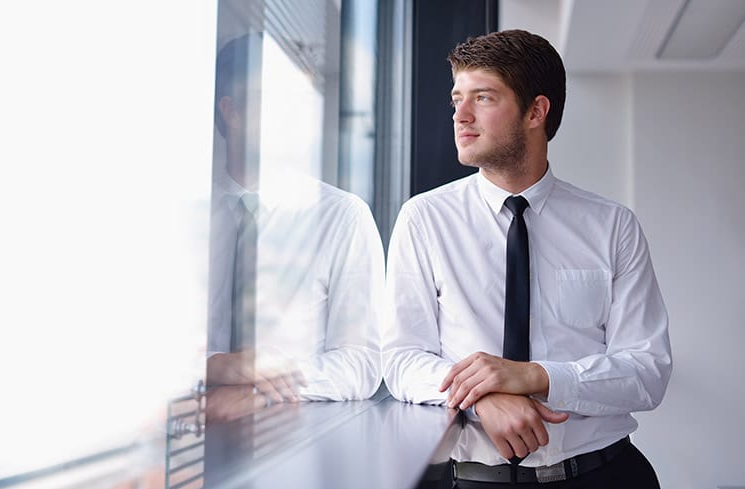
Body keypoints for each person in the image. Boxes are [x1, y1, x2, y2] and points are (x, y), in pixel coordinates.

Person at [383, 29, 671, 488]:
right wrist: (483, 397)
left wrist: (534, 377)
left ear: (536, 111)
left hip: (604, 475)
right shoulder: (424, 219)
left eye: (483, 97)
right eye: (457, 98)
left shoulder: (613, 226)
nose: (460, 115)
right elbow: (400, 358)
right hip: (472, 480)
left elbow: (646, 371)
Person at [204, 34, 384, 414]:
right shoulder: (186, 219)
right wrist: (215, 366)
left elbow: (363, 363)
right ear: (230, 111)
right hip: (180, 438)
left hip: (297, 442)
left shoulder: (342, 216)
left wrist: (260, 390)